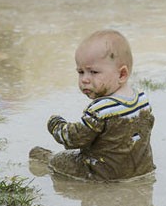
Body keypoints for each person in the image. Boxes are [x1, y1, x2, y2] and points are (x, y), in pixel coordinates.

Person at [45, 29, 155, 182]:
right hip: (143, 168)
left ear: (122, 74)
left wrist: (56, 125)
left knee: (59, 160)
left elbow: (75, 139)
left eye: (94, 72)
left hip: (103, 174)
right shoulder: (142, 99)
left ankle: (47, 158)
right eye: (81, 72)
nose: (85, 79)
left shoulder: (101, 109)